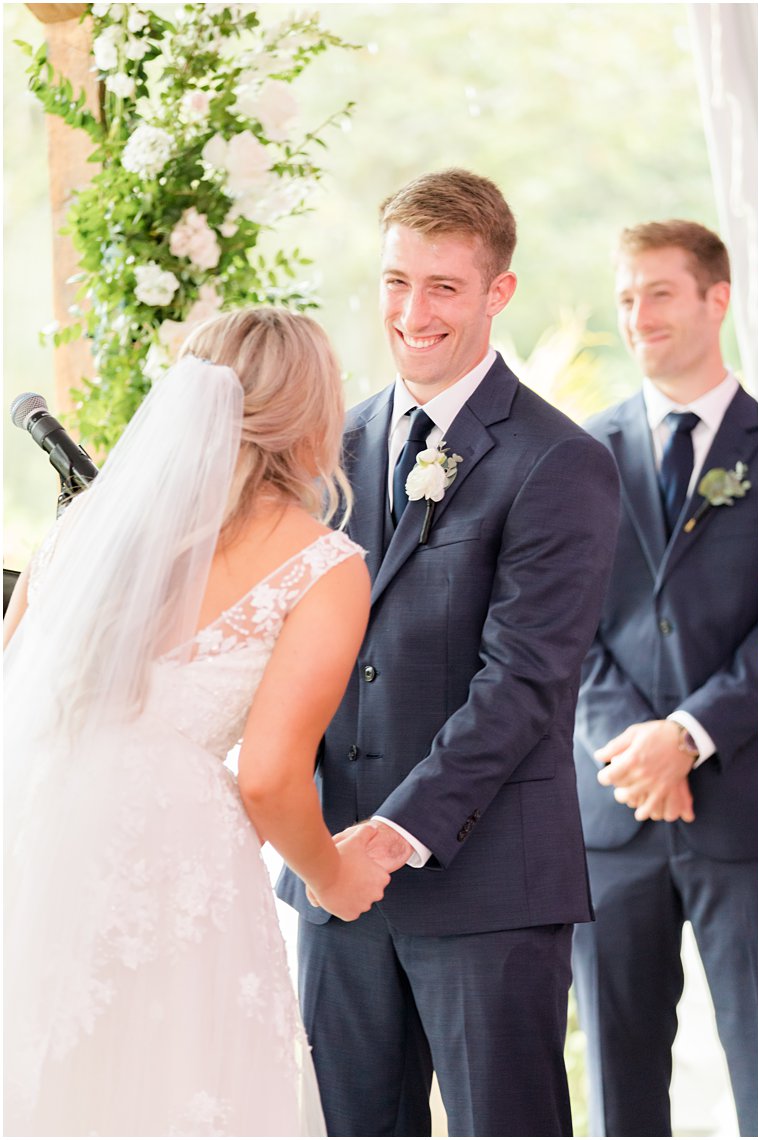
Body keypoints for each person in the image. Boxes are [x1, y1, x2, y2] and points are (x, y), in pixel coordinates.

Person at [274, 169, 621, 1137]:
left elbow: (523, 686)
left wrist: (389, 836)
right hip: (333, 885)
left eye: (443, 287)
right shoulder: (326, 453)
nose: (411, 311)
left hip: (487, 892)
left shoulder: (560, 462)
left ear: (498, 292)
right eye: (395, 281)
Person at [4, 307, 388, 1135]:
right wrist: (333, 876)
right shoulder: (320, 564)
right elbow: (270, 778)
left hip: (36, 831)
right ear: (311, 414)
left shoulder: (82, 527)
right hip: (174, 857)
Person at [574, 220, 758, 1136]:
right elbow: (552, 626)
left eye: (658, 292)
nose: (637, 314)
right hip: (613, 812)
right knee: (618, 1084)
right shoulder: (578, 452)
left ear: (716, 298)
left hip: (733, 812)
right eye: (625, 297)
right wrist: (642, 750)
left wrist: (689, 734)